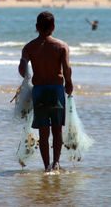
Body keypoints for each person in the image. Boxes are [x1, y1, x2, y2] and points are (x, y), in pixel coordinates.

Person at [18, 11, 73, 172]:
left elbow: (22, 69)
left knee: (43, 132)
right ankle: (56, 163)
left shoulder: (29, 47)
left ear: (36, 27)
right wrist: (69, 83)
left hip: (39, 91)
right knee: (57, 129)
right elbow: (67, 68)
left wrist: (27, 76)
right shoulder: (62, 46)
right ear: (53, 27)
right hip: (56, 90)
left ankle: (46, 166)